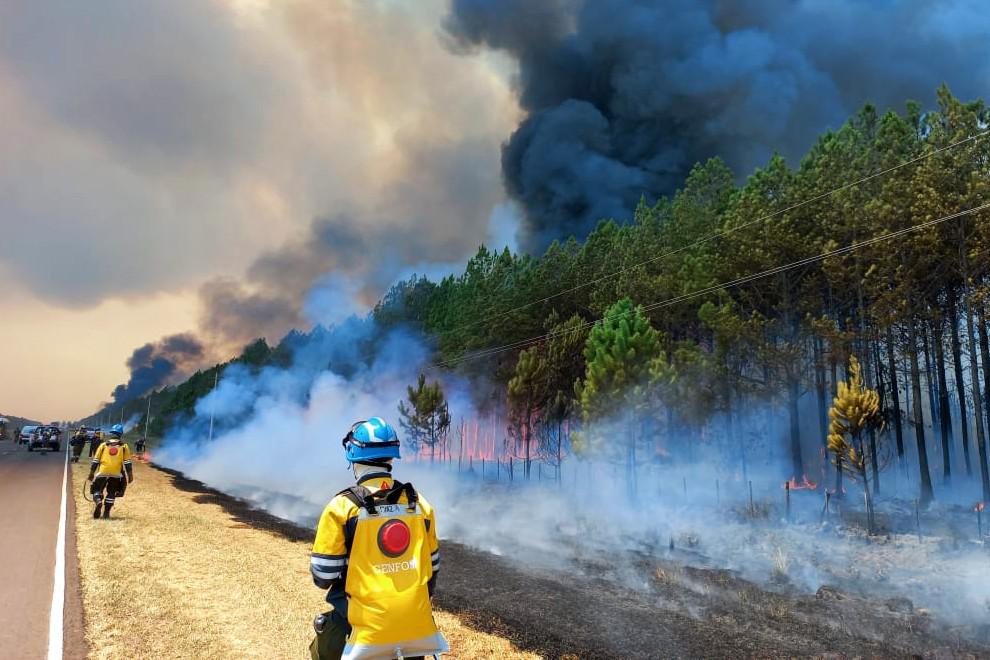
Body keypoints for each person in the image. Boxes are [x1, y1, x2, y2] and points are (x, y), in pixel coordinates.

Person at [309, 417, 447, 660]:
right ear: (392, 456)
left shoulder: (342, 507)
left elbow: (323, 575)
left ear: (352, 455)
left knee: (324, 645)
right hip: (416, 632)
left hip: (362, 636)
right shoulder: (419, 504)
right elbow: (432, 568)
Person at [87, 424, 133, 519]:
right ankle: (106, 513)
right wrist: (130, 475)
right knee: (111, 492)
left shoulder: (103, 445)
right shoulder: (124, 446)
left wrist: (91, 473)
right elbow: (127, 463)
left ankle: (98, 501)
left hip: (102, 472)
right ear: (120, 434)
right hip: (116, 474)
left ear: (111, 433)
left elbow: (96, 460)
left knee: (96, 490)